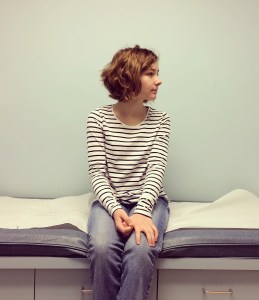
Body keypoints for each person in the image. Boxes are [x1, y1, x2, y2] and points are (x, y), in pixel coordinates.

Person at [86, 45, 171, 300]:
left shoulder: (161, 120)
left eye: (157, 73)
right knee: (101, 248)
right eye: (151, 73)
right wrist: (117, 210)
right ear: (130, 75)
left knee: (140, 248)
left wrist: (143, 211)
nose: (159, 80)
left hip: (150, 200)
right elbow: (97, 173)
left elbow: (155, 170)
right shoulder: (97, 118)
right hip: (109, 202)